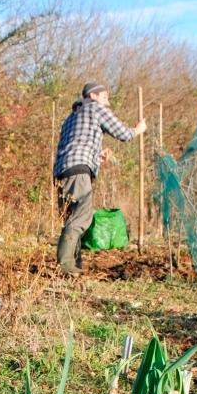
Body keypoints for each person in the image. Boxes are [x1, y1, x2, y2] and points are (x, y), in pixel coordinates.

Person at [53, 82, 146, 273]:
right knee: (81, 218)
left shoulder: (71, 118)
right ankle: (66, 266)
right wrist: (138, 129)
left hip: (63, 171)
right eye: (105, 97)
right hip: (78, 171)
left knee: (71, 218)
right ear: (92, 96)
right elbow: (123, 133)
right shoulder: (94, 108)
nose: (108, 102)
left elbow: (75, 145)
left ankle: (73, 265)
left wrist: (97, 156)